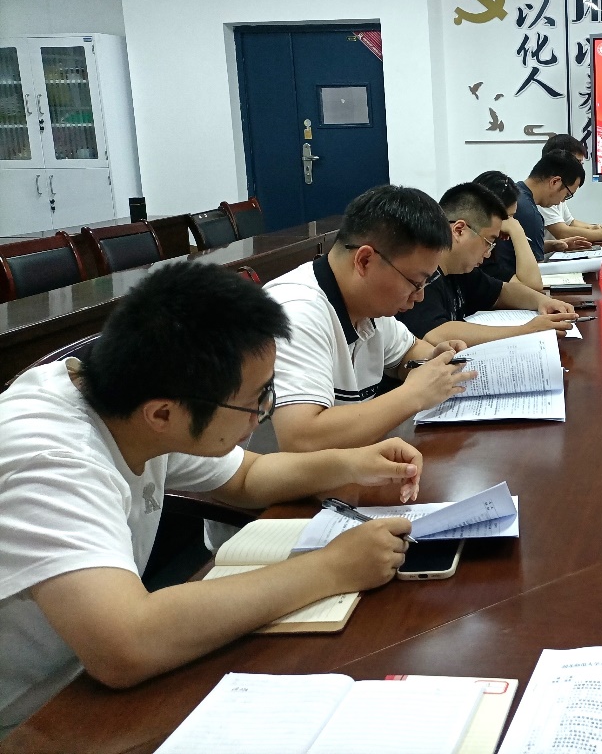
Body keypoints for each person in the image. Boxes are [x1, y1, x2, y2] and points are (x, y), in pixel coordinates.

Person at [0, 262, 423, 732]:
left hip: (85, 676)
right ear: (163, 415)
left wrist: (353, 463)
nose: (262, 416)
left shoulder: (132, 398)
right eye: (254, 401)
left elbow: (248, 476)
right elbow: (127, 644)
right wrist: (332, 568)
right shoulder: (51, 459)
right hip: (29, 714)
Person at [260, 184, 476, 454]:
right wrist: (413, 394)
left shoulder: (368, 304)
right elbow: (302, 438)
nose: (420, 296)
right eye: (415, 283)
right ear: (364, 261)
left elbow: (408, 352)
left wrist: (433, 360)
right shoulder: (296, 312)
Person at [398, 182, 578, 345]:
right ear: (459, 230)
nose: (489, 252)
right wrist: (525, 331)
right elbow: (435, 333)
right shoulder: (421, 273)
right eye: (489, 241)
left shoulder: (461, 270)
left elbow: (502, 292)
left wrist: (543, 301)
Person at [537, 134, 602, 243]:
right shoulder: (545, 193)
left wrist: (592, 228)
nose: (580, 169)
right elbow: (562, 232)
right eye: (578, 163)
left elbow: (570, 222)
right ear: (561, 159)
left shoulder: (559, 188)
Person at [473, 170, 544, 290]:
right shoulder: (478, 257)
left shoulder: (488, 249)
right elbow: (533, 286)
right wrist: (516, 230)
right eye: (509, 217)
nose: (511, 221)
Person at [514, 150, 588, 261]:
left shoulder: (514, 192)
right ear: (555, 182)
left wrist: (552, 245)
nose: (562, 201)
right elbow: (533, 269)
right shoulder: (530, 214)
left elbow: (515, 250)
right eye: (567, 195)